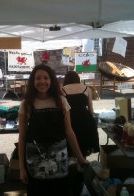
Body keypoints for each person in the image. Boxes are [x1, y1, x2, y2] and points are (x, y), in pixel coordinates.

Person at [18, 64, 88, 196]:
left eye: (46, 78)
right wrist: (22, 167)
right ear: (33, 81)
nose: (42, 81)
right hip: (35, 161)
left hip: (59, 161)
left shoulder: (61, 101)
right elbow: (22, 137)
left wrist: (80, 158)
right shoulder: (26, 104)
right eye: (38, 78)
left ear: (51, 81)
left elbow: (69, 132)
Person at [62, 71, 100, 195]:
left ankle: (72, 183)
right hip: (85, 122)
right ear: (78, 78)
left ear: (66, 79)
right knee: (83, 153)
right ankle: (80, 183)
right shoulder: (86, 89)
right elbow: (91, 110)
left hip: (70, 122)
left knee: (71, 151)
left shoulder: (63, 90)